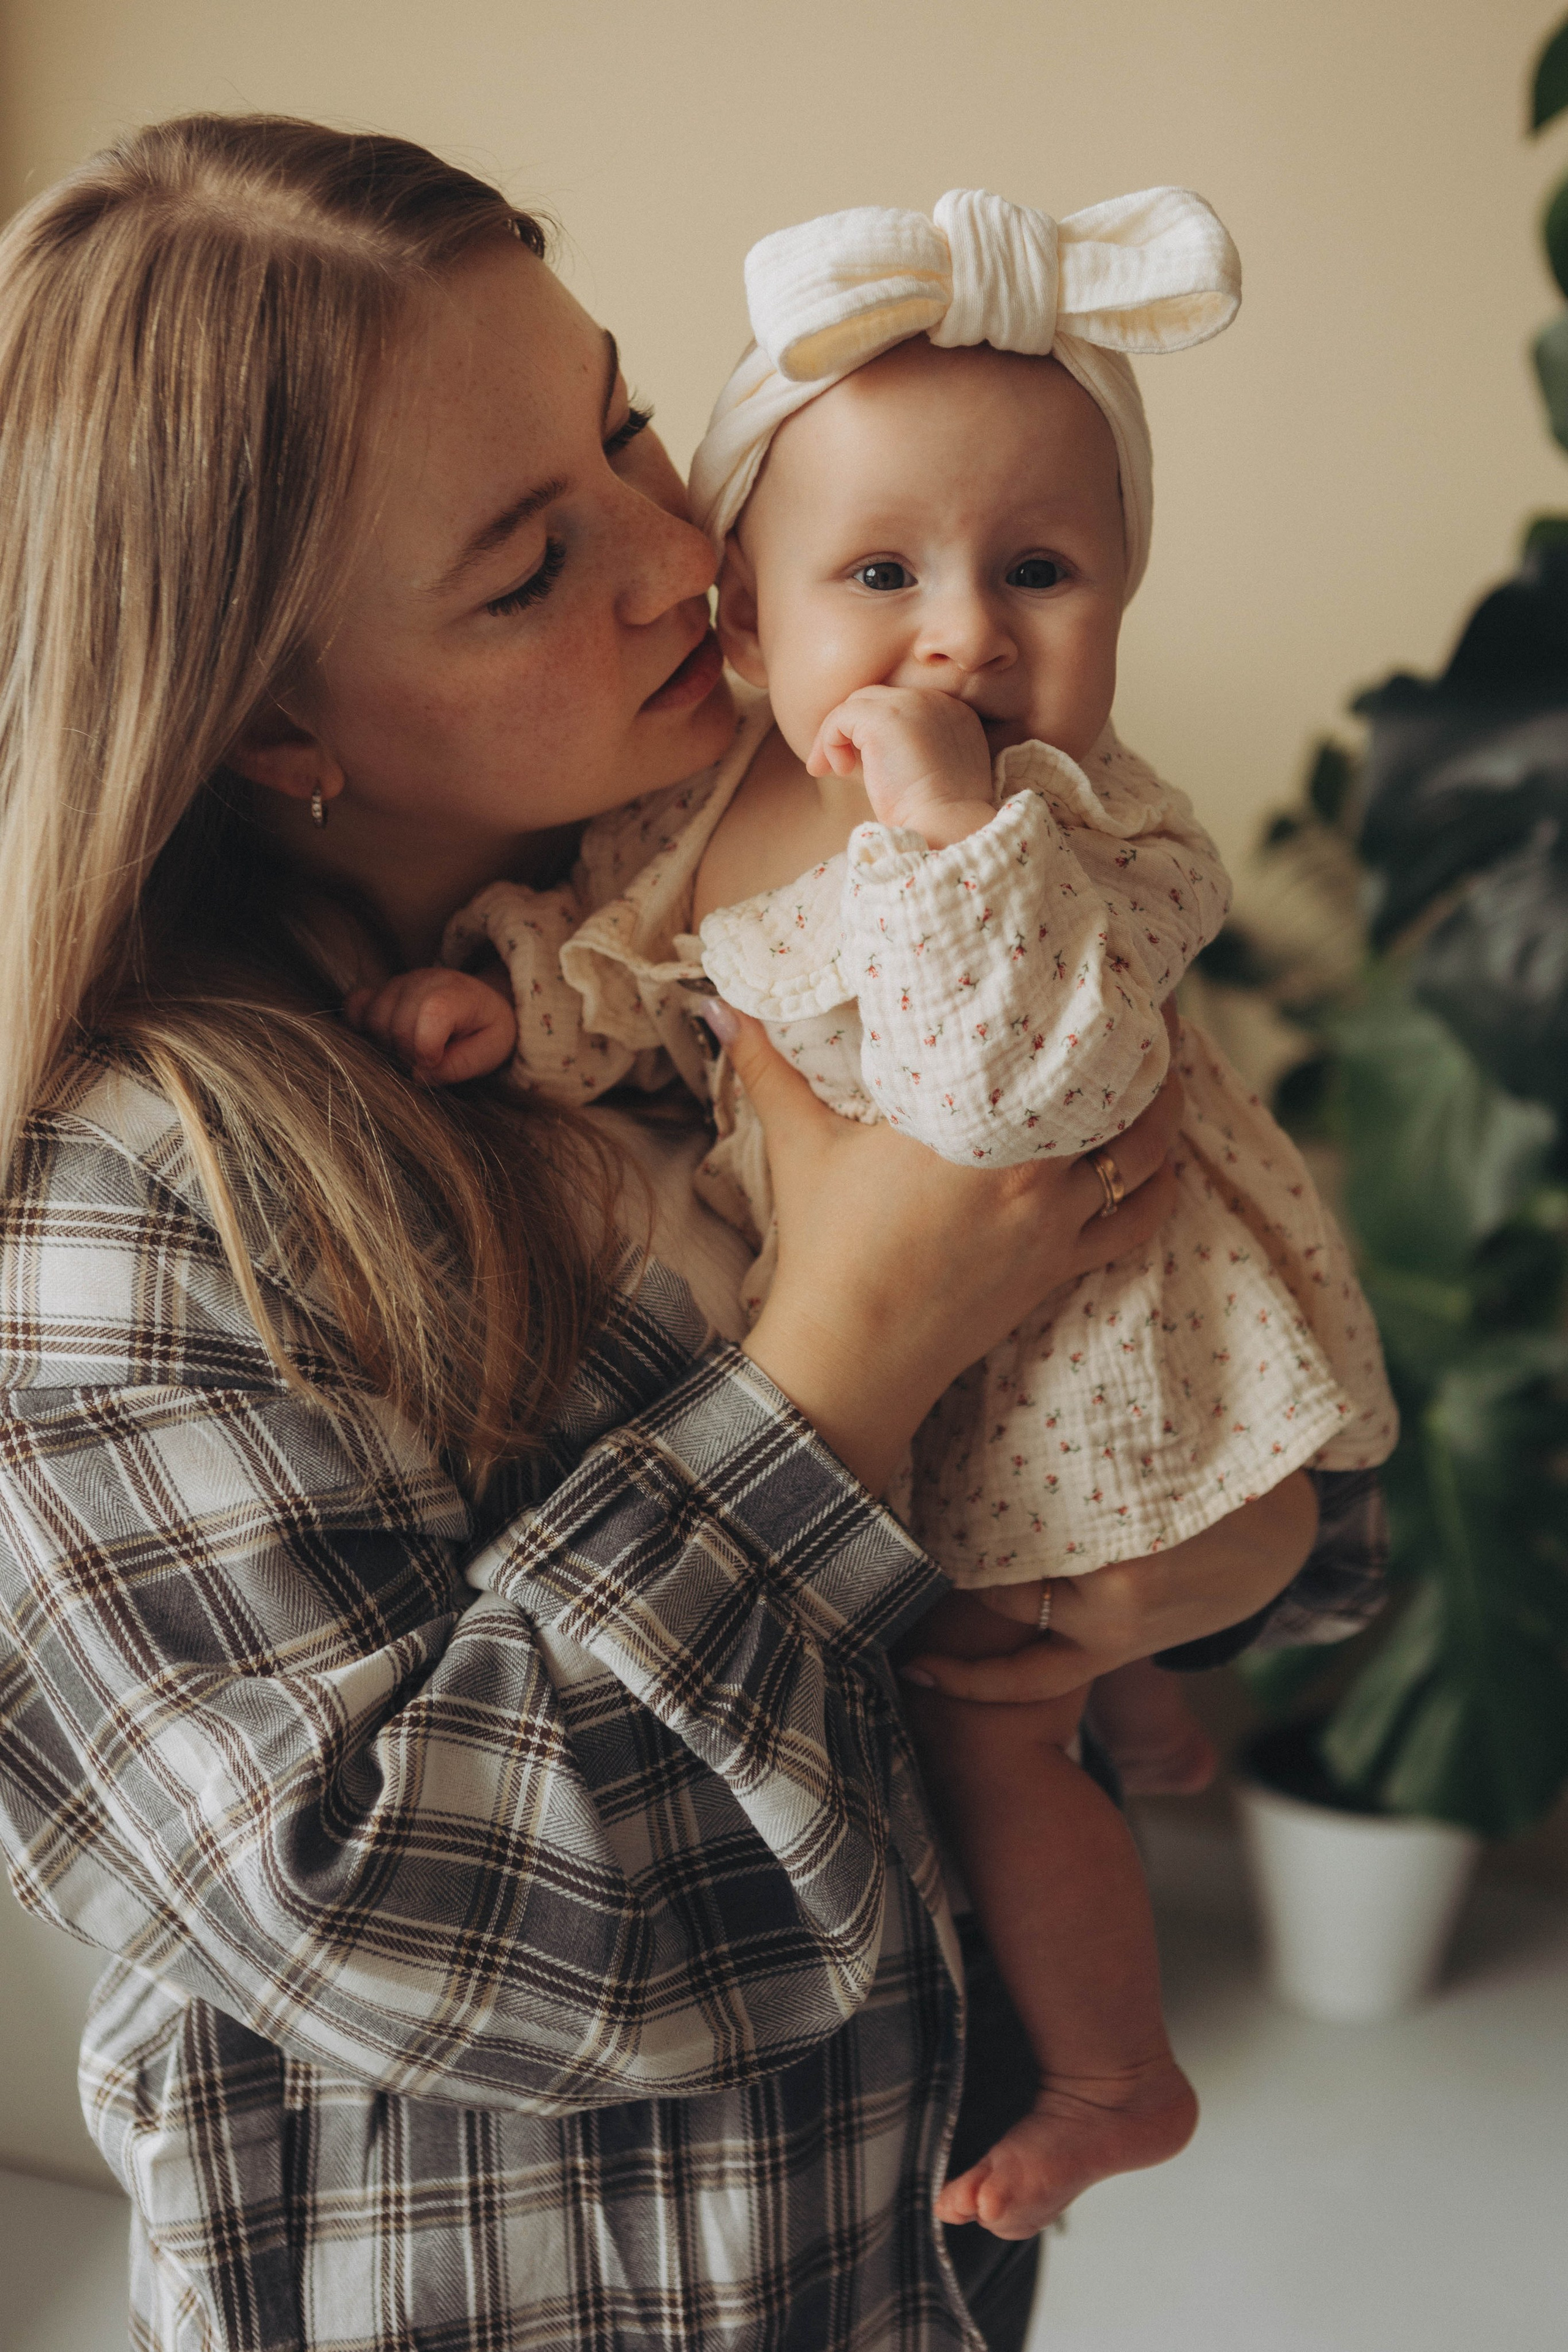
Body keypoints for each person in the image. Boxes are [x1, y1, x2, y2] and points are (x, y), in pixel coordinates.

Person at [0, 119, 1379, 2352]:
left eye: (631, 417)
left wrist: (1229, 1563)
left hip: (897, 2264)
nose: (685, 546)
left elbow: (1173, 1347)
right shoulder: (135, 1218)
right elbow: (427, 1928)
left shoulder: (771, 906)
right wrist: (846, 1355)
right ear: (271, 727)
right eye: (531, 562)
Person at [353, 188, 1396, 2238]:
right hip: (955, 1401)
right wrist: (509, 1006)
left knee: (995, 1735)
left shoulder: (1088, 825)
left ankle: (1115, 2073)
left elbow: (1027, 1098)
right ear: (752, 610)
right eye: (884, 573)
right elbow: (643, 985)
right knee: (1017, 1695)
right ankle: (1133, 1692)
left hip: (1116, 1374)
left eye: (1043, 574)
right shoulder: (694, 804)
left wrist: (945, 832)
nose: (968, 636)